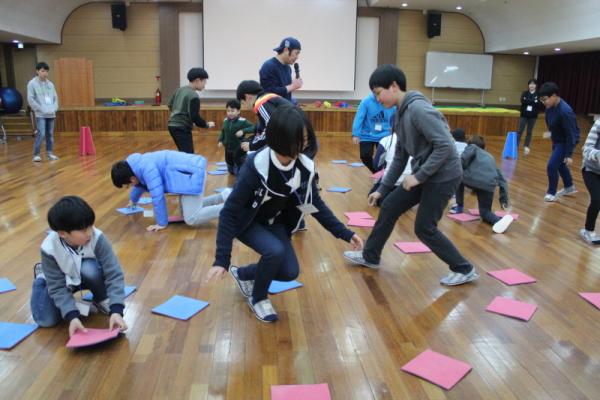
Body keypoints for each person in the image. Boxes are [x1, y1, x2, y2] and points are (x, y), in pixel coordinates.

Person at [203, 105, 363, 323]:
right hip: (248, 222)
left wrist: (345, 233)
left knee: (289, 272)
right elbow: (229, 212)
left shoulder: (304, 167)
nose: (305, 144)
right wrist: (222, 259)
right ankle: (258, 298)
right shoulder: (256, 165)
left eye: (306, 138)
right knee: (274, 251)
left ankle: (243, 274)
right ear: (280, 139)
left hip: (274, 222)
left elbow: (313, 204)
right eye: (300, 140)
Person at [343, 64, 478, 286]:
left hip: (444, 176)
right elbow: (400, 156)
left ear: (393, 86)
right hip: (426, 174)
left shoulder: (419, 110)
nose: (377, 99)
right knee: (389, 205)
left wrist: (418, 176)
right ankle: (370, 256)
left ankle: (464, 269)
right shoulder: (398, 114)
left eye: (378, 93)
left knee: (424, 228)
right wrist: (382, 189)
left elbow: (446, 146)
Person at [30, 196, 128, 337]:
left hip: (83, 274)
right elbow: (57, 287)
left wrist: (117, 310)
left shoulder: (97, 237)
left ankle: (101, 298)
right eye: (83, 230)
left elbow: (114, 273)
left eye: (90, 226)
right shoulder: (49, 248)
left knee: (89, 268)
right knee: (46, 320)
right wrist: (72, 316)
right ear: (62, 233)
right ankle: (42, 277)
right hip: (62, 279)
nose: (89, 233)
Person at [111, 150, 230, 232]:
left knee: (191, 218)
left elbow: (157, 196)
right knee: (188, 211)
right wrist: (133, 200)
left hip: (191, 174)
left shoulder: (146, 169)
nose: (130, 187)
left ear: (132, 179)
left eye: (128, 185)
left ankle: (231, 208)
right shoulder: (135, 166)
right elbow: (139, 185)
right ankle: (224, 196)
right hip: (187, 174)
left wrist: (161, 223)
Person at [449, 135, 514, 234]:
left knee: (458, 175)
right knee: (485, 212)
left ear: (469, 144)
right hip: (489, 185)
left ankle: (459, 206)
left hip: (473, 180)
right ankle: (498, 221)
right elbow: (502, 180)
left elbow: (462, 162)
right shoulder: (490, 157)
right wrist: (503, 200)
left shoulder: (472, 147)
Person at [538, 82, 579, 202]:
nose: (543, 102)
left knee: (551, 166)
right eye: (541, 100)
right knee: (560, 164)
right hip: (557, 139)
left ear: (554, 96)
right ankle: (569, 187)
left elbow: (571, 134)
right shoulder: (549, 108)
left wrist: (569, 154)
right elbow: (551, 124)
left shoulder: (565, 112)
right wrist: (550, 134)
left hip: (566, 141)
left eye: (545, 99)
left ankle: (551, 192)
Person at [167, 67, 215, 153]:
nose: (204, 85)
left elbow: (170, 105)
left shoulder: (179, 90)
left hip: (172, 126)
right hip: (181, 128)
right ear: (197, 80)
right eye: (204, 81)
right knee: (188, 154)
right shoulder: (194, 96)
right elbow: (195, 117)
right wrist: (206, 125)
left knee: (184, 152)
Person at [236, 80, 291, 152]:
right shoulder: (268, 97)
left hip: (291, 140)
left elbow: (272, 129)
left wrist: (252, 145)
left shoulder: (260, 103)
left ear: (248, 97)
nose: (244, 107)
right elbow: (265, 126)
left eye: (243, 103)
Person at [351, 93, 396, 173]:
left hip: (385, 134)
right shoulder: (366, 101)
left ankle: (382, 174)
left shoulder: (391, 101)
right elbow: (359, 117)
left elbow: (397, 116)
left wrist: (395, 129)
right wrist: (355, 134)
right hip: (367, 134)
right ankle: (377, 173)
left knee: (384, 158)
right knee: (365, 156)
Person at [368, 133, 412, 206]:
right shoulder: (421, 139)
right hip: (412, 182)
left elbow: (376, 165)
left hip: (392, 181)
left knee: (372, 197)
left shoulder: (386, 140)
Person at [27, 61, 59, 162]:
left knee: (50, 134)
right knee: (41, 133)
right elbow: (30, 99)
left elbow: (55, 98)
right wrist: (40, 108)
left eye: (46, 71)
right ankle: (36, 154)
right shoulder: (32, 83)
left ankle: (50, 153)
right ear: (37, 71)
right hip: (40, 114)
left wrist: (54, 108)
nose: (45, 73)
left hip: (51, 114)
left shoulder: (50, 84)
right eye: (42, 71)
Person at [259, 37, 303, 102]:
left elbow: (285, 92)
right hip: (272, 107)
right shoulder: (269, 66)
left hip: (285, 106)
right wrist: (292, 86)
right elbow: (269, 93)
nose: (297, 57)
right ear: (286, 50)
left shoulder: (288, 68)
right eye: (296, 53)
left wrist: (293, 85)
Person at [218, 99, 255, 175]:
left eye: (232, 111)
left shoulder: (243, 121)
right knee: (229, 162)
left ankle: (240, 171)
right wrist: (220, 140)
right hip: (228, 148)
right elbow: (223, 131)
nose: (230, 113)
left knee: (238, 164)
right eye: (228, 111)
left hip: (238, 148)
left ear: (238, 111)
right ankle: (231, 169)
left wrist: (243, 131)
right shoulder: (225, 120)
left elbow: (254, 127)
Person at [580, 119, 600, 244]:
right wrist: (598, 155)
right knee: (597, 199)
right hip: (591, 170)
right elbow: (586, 149)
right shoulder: (598, 124)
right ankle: (588, 230)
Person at [517, 79, 542, 155]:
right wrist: (533, 101)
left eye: (533, 84)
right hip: (524, 115)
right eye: (530, 84)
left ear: (536, 85)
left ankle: (526, 146)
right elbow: (522, 101)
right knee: (520, 130)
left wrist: (527, 101)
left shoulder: (538, 94)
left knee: (529, 131)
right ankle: (515, 145)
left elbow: (538, 104)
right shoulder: (525, 93)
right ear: (528, 85)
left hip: (533, 116)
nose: (532, 85)